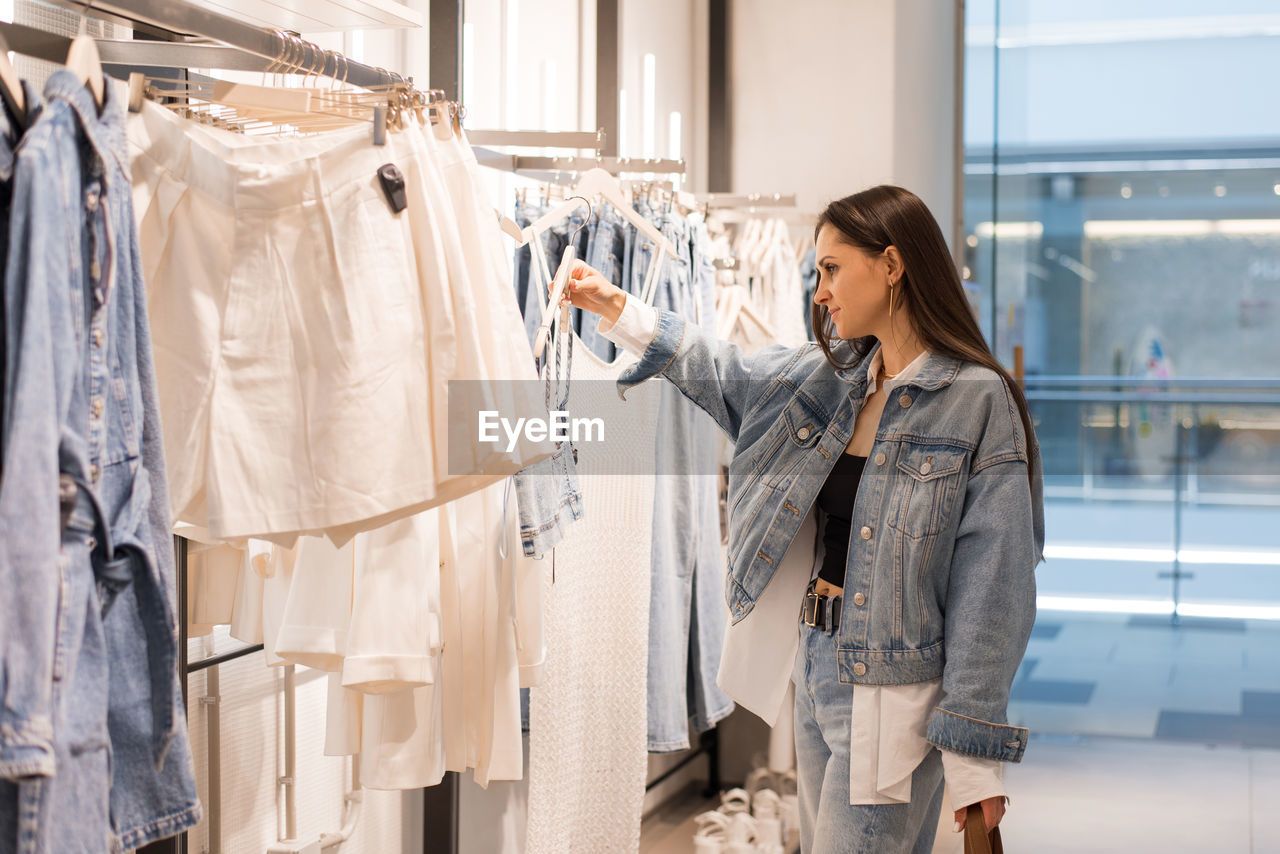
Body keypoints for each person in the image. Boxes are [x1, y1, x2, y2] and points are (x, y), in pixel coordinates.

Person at [560, 184, 1043, 853]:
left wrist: (973, 747)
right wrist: (620, 311)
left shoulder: (976, 402)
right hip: (815, 670)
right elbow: (722, 371)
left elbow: (995, 587)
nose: (819, 290)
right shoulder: (831, 379)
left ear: (893, 265)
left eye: (831, 268)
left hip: (893, 692)